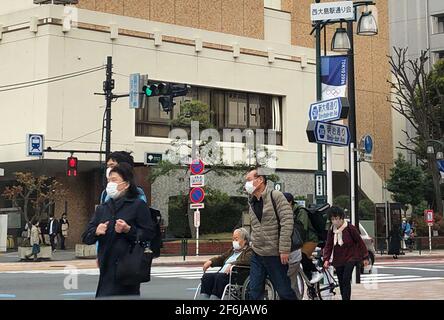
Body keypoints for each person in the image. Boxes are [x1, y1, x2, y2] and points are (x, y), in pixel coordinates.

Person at [82, 162, 156, 298]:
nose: (110, 184)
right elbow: (86, 237)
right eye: (109, 180)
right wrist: (96, 231)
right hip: (106, 268)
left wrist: (128, 230)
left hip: (128, 268)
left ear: (126, 184)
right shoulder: (103, 208)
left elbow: (148, 234)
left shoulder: (137, 205)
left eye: (114, 180)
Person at [245, 168, 297, 300]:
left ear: (260, 180)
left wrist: (284, 249)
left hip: (275, 254)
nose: (247, 184)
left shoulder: (275, 196)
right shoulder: (251, 202)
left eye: (249, 180)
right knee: (254, 291)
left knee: (284, 291)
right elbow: (255, 226)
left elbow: (287, 221)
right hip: (257, 253)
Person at [322, 206, 368, 300]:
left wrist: (365, 257)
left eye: (337, 218)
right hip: (338, 258)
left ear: (342, 218)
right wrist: (326, 259)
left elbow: (360, 242)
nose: (335, 221)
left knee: (346, 279)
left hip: (351, 257)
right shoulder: (332, 230)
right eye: (332, 219)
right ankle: (344, 297)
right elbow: (329, 245)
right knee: (341, 280)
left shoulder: (350, 228)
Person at [199, 228, 253, 300]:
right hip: (222, 273)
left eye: (236, 239)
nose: (234, 242)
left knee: (220, 277)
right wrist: (211, 262)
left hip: (234, 275)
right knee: (207, 277)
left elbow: (246, 260)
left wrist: (232, 264)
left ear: (245, 240)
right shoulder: (232, 250)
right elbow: (222, 258)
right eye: (233, 239)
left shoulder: (249, 251)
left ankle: (215, 298)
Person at [283, 192, 323, 284]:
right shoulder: (286, 212)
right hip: (298, 241)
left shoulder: (301, 211)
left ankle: (315, 272)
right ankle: (310, 286)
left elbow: (302, 229)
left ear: (290, 202)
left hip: (310, 239)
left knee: (301, 255)